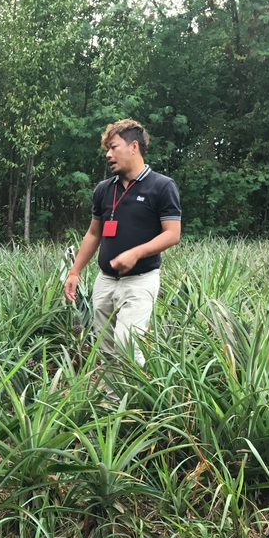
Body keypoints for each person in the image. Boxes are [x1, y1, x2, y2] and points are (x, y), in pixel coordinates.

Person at [63, 119, 181, 367]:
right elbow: (94, 234)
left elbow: (172, 233)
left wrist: (136, 253)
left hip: (139, 280)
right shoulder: (104, 189)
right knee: (104, 345)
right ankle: (111, 401)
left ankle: (135, 399)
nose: (108, 154)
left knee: (127, 343)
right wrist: (75, 271)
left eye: (113, 147)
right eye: (106, 149)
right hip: (105, 280)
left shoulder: (161, 186)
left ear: (134, 146)